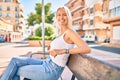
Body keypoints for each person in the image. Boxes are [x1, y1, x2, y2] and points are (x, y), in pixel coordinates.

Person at [0, 6, 91, 80]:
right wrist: (51, 46)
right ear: (56, 17)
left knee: (15, 69)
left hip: (51, 70)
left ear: (68, 16)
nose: (61, 17)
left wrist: (62, 51)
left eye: (64, 15)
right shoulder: (60, 32)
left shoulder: (69, 32)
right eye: (58, 15)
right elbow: (61, 45)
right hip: (46, 63)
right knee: (15, 60)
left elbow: (86, 49)